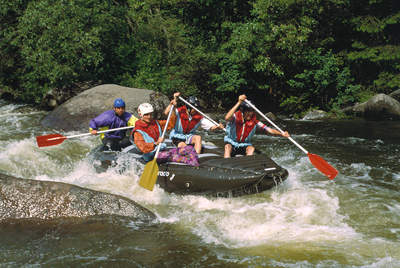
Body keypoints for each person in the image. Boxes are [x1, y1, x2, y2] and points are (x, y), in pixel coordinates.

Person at [224, 94, 290, 158]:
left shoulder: (255, 121)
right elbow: (227, 117)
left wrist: (281, 133)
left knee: (251, 149)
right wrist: (239, 102)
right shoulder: (235, 117)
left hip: (243, 145)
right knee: (227, 147)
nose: (250, 113)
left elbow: (270, 130)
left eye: (252, 111)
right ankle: (227, 162)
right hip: (232, 143)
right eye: (248, 111)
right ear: (242, 111)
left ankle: (247, 164)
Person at [131, 93, 178, 162]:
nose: (149, 117)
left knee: (187, 149)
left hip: (159, 151)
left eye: (151, 114)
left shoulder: (156, 123)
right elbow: (143, 147)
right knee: (174, 155)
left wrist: (172, 108)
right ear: (141, 115)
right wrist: (156, 143)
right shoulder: (137, 131)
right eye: (146, 115)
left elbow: (171, 123)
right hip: (150, 155)